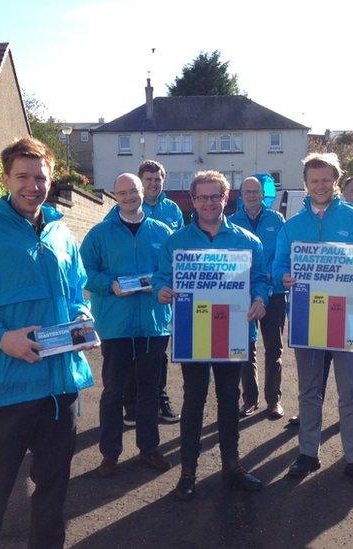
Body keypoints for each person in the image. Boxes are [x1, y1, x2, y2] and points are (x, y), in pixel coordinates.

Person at [0, 137, 94, 549]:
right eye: (21, 176)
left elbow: (78, 292)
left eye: (39, 177)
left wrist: (82, 318)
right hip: (7, 389)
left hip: (61, 387)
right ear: (5, 179)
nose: (31, 185)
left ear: (50, 179)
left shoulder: (62, 233)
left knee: (53, 490)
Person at [274, 153, 353, 490]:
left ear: (335, 180)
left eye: (326, 179)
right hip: (308, 318)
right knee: (310, 391)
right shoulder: (293, 225)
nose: (320, 185)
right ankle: (308, 453)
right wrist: (283, 276)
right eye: (314, 180)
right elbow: (278, 264)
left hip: (350, 318)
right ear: (306, 184)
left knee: (350, 394)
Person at [154, 170, 268, 501]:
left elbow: (262, 279)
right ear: (193, 200)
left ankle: (232, 466)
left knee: (229, 399)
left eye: (214, 196)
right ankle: (188, 470)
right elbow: (162, 277)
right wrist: (162, 290)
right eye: (201, 197)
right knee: (194, 400)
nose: (208, 203)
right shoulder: (176, 242)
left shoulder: (248, 241)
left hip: (233, 331)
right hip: (195, 332)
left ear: (225, 197)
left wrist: (260, 298)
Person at [80, 172, 173, 478]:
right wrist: (111, 284)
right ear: (115, 196)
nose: (129, 197)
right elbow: (85, 273)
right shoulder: (99, 234)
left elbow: (171, 271)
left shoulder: (163, 232)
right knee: (113, 392)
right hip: (116, 325)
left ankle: (149, 448)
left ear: (142, 192)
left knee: (149, 390)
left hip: (153, 324)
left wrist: (158, 283)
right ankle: (110, 453)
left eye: (133, 191)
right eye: (122, 193)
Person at [124, 159, 183, 424]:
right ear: (140, 182)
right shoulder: (126, 207)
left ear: (163, 180)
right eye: (148, 180)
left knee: (159, 353)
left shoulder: (172, 209)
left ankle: (161, 401)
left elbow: (180, 248)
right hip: (132, 295)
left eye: (157, 179)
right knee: (133, 353)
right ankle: (131, 405)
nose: (153, 184)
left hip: (161, 294)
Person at [229, 176, 287, 419]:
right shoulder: (231, 221)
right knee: (244, 348)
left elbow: (283, 254)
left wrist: (271, 275)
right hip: (242, 294)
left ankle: (273, 399)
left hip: (273, 293)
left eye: (256, 191)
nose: (251, 195)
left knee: (274, 348)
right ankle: (249, 399)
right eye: (247, 191)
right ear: (240, 194)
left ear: (263, 194)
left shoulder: (277, 219)